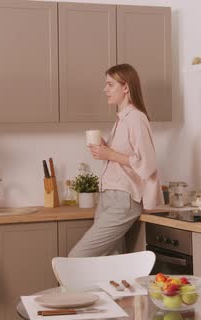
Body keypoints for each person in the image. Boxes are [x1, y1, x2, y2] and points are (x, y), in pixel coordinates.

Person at [68, 63, 164, 257]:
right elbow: (126, 158)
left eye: (110, 85)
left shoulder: (136, 118)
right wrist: (107, 148)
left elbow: (147, 163)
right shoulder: (121, 119)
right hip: (108, 198)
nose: (105, 90)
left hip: (123, 201)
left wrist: (109, 154)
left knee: (76, 258)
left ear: (126, 87)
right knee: (110, 265)